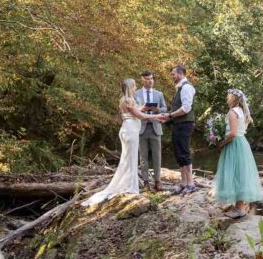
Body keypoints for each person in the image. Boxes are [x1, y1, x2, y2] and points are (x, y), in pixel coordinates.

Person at [83, 79, 164, 207]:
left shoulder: (124, 100)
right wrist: (157, 117)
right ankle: (131, 186)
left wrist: (143, 108)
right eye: (135, 85)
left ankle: (128, 183)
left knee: (127, 159)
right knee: (131, 159)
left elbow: (134, 112)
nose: (136, 86)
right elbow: (141, 116)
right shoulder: (129, 100)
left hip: (127, 129)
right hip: (130, 131)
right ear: (131, 87)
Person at [214, 89, 263, 218]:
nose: (226, 99)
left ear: (232, 98)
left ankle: (239, 208)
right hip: (242, 143)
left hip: (234, 144)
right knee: (240, 173)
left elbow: (232, 133)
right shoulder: (242, 111)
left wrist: (222, 142)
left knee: (234, 173)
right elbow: (241, 131)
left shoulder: (232, 112)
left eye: (228, 97)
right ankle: (239, 206)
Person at [163, 65, 197, 194]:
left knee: (184, 151)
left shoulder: (187, 87)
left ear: (181, 74)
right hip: (179, 124)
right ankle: (183, 182)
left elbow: (186, 108)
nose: (172, 76)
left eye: (173, 74)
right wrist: (168, 118)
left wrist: (170, 115)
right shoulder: (180, 88)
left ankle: (191, 183)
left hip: (185, 124)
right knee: (178, 152)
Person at [136, 70, 168, 191]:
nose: (150, 81)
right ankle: (145, 183)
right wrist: (142, 109)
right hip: (141, 128)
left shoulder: (159, 94)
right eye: (148, 79)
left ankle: (158, 182)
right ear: (142, 80)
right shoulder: (136, 93)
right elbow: (133, 109)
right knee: (143, 157)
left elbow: (165, 108)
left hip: (155, 127)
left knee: (157, 156)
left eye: (151, 78)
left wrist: (157, 110)